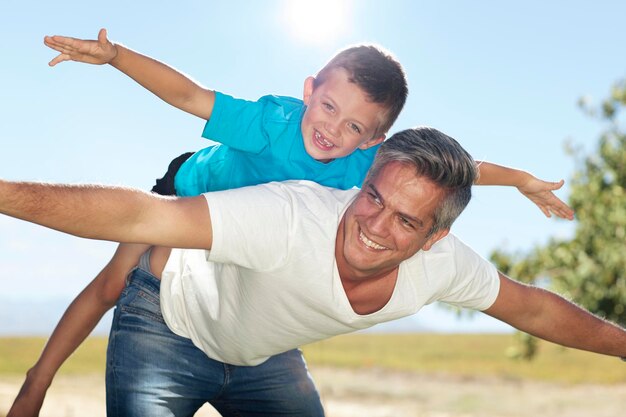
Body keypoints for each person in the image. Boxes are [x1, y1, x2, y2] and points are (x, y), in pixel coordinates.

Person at [9, 28, 572, 415]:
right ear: (309, 91)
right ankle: (39, 379)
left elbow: (458, 169)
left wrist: (521, 179)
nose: (333, 131)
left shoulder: (366, 165)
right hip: (188, 191)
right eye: (328, 108)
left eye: (355, 127)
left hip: (242, 242)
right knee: (116, 283)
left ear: (375, 140)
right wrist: (118, 58)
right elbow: (188, 95)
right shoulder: (271, 123)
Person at [1, 127, 623, 417]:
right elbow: (140, 213)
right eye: (373, 197)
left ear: (438, 237)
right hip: (166, 324)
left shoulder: (444, 267)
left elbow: (534, 308)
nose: (375, 226)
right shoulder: (291, 215)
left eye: (407, 222)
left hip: (262, 355)